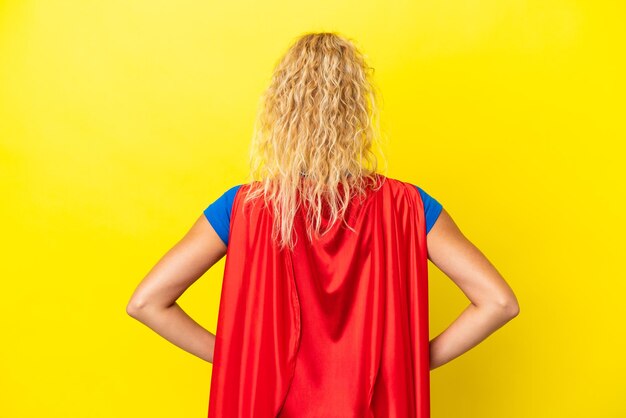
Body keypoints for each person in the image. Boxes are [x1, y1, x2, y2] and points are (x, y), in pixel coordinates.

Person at [126, 32, 520, 417]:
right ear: (358, 114)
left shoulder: (242, 208)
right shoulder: (409, 206)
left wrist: (247, 363)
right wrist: (405, 365)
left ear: (280, 111)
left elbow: (147, 303)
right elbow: (498, 302)